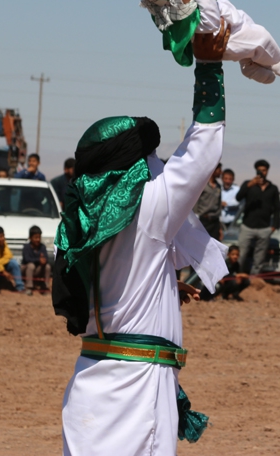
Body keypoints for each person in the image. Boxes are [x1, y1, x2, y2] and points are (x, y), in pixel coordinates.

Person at [56, 31, 231, 455]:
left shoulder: (82, 216)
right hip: (134, 393)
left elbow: (119, 273)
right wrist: (208, 68)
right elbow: (200, 153)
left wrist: (164, 287)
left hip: (91, 388)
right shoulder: (150, 204)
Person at [137, 0, 280, 84]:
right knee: (261, 37)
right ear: (174, 3)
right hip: (228, 39)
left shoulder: (192, 1)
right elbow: (211, 23)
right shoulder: (189, 21)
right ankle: (274, 61)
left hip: (235, 24)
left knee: (251, 32)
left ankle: (249, 65)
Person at [235, 159, 280, 274]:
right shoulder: (248, 184)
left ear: (267, 171)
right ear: (256, 171)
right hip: (247, 226)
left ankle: (253, 281)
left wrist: (274, 226)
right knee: (241, 255)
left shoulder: (273, 188)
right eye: (259, 170)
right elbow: (238, 197)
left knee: (259, 258)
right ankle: (236, 278)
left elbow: (277, 208)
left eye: (264, 170)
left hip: (264, 228)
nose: (261, 173)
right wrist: (249, 185)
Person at [194, 164, 223, 240]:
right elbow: (196, 202)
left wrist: (219, 227)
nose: (221, 172)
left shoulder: (218, 186)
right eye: (219, 170)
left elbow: (219, 205)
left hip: (214, 221)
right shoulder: (203, 185)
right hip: (203, 220)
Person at [22, 225, 51, 296]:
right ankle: (29, 287)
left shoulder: (42, 247)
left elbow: (46, 258)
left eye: (39, 237)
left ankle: (45, 287)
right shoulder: (26, 247)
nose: (38, 239)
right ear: (30, 238)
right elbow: (27, 259)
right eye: (35, 237)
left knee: (47, 266)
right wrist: (39, 260)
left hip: (37, 270)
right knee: (31, 265)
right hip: (26, 270)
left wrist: (44, 261)